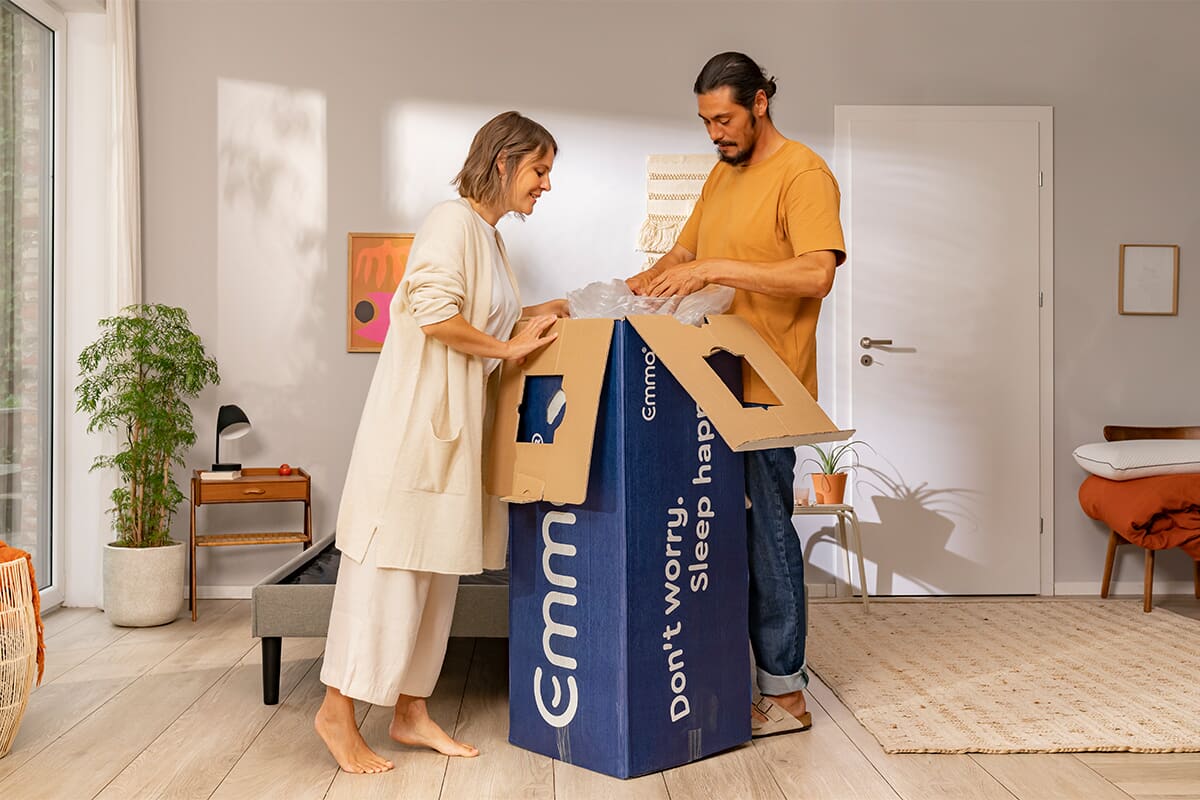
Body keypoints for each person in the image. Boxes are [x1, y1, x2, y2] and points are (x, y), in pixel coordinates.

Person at [316, 111, 567, 773]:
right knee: (392, 571)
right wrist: (510, 347)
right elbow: (435, 313)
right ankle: (337, 713)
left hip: (453, 437)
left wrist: (544, 312)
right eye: (540, 170)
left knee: (435, 575)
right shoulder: (450, 222)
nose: (545, 185)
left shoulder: (488, 238)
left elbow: (486, 316)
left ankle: (410, 711)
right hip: (415, 433)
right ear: (505, 161)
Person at [627, 52, 846, 738]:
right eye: (705, 121)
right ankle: (721, 675)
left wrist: (719, 268)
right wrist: (623, 292)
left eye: (724, 118)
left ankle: (785, 694)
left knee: (767, 532)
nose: (715, 133)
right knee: (708, 532)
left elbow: (816, 275)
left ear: (760, 103)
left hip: (767, 390)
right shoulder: (722, 174)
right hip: (709, 382)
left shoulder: (803, 174)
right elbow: (682, 258)